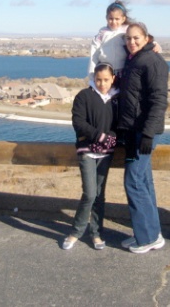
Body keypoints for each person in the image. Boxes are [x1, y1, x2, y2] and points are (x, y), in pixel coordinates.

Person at [117, 22, 169, 254]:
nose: (132, 42)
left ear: (147, 38)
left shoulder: (152, 61)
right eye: (128, 38)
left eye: (136, 38)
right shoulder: (134, 60)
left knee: (134, 181)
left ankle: (146, 238)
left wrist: (148, 133)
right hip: (133, 131)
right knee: (144, 181)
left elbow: (158, 100)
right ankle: (150, 233)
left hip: (144, 131)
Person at [62, 62, 119, 250]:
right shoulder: (84, 96)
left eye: (106, 80)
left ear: (113, 79)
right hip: (87, 151)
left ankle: (96, 233)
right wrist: (100, 136)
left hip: (106, 154)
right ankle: (76, 232)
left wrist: (112, 138)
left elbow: (120, 123)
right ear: (93, 78)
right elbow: (78, 122)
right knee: (90, 194)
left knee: (100, 195)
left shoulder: (117, 98)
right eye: (98, 79)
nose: (102, 84)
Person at [87, 0, 132, 83]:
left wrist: (153, 44)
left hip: (124, 73)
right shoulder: (101, 34)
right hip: (105, 73)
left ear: (123, 19)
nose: (114, 22)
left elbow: (140, 39)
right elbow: (94, 56)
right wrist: (92, 77)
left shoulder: (127, 32)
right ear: (106, 18)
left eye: (117, 19)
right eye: (111, 19)